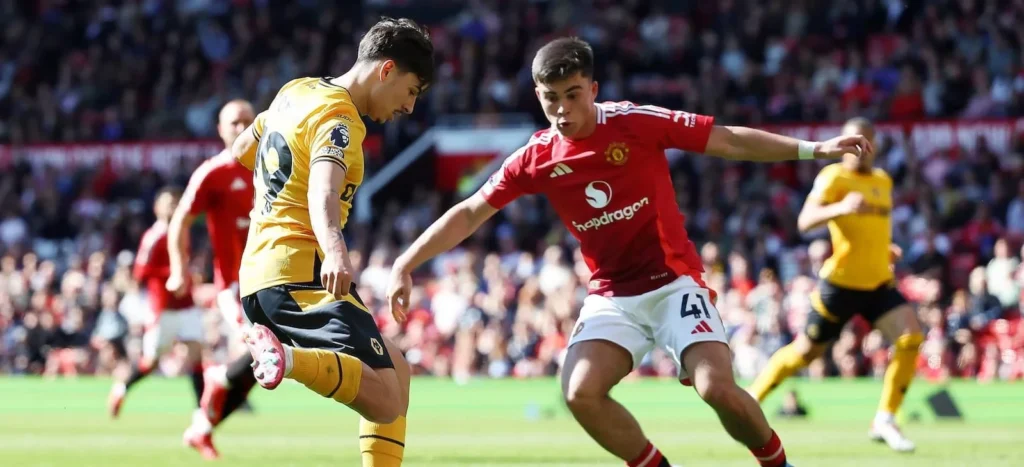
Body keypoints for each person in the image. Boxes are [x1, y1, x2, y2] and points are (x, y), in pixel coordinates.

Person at [387, 37, 872, 467]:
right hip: (613, 297)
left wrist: (814, 149)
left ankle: (778, 463)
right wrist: (406, 262)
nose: (562, 110)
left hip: (674, 284)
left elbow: (725, 140)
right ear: (538, 96)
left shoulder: (635, 122)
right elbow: (470, 212)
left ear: (593, 89)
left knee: (717, 389)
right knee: (579, 392)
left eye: (573, 94)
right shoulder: (535, 158)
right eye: (551, 98)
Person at [229, 17, 433, 467]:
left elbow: (241, 150)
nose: (409, 106)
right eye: (411, 90)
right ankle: (284, 358)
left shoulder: (296, 91)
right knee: (385, 401)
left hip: (261, 273)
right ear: (386, 70)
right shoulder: (340, 118)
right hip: (299, 273)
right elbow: (322, 191)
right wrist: (336, 251)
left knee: (396, 370)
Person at [748, 118, 921, 453]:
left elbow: (872, 228)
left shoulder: (883, 181)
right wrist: (840, 207)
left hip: (878, 282)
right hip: (840, 284)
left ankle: (885, 419)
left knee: (910, 338)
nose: (862, 148)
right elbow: (804, 222)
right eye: (855, 141)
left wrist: (884, 249)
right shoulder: (833, 177)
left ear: (875, 145)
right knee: (806, 352)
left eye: (867, 141)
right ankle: (752, 398)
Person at [165, 100, 256, 459]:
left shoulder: (274, 166)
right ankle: (217, 378)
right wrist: (178, 268)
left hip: (273, 283)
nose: (241, 128)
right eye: (234, 122)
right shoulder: (213, 173)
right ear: (220, 129)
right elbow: (180, 220)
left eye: (247, 121)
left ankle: (202, 428)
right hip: (235, 286)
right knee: (263, 350)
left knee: (259, 371)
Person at [108, 188, 205, 418]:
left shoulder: (183, 231)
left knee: (196, 354)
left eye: (176, 202)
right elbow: (140, 272)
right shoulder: (154, 236)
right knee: (151, 362)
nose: (173, 207)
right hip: (164, 308)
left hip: (186, 305)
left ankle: (201, 413)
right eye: (168, 203)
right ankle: (121, 388)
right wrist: (171, 275)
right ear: (157, 208)